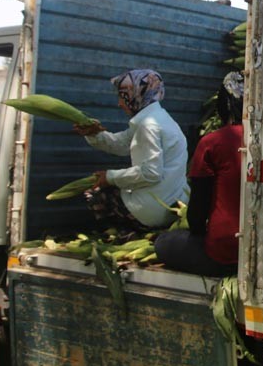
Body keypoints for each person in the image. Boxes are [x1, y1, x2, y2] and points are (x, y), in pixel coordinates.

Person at [74, 69, 190, 232]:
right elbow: (120, 144)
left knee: (95, 194)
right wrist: (94, 133)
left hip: (153, 209)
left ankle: (125, 235)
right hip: (174, 204)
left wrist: (110, 177)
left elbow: (151, 173)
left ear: (137, 94)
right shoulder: (161, 119)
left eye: (123, 96)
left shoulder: (148, 126)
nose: (119, 103)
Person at [154, 72, 244, 276]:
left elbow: (197, 212)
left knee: (163, 242)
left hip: (224, 253)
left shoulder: (213, 142)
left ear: (224, 104)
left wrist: (197, 231)